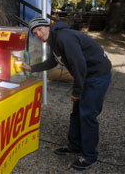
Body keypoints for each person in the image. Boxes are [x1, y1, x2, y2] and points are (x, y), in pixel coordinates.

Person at [21, 17, 112, 171]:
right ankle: (74, 145)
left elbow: (79, 66)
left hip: (97, 76)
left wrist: (77, 91)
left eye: (40, 29)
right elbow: (53, 61)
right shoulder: (55, 39)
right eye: (35, 33)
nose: (38, 34)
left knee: (88, 115)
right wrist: (31, 68)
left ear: (47, 26)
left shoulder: (64, 37)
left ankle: (89, 155)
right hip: (86, 76)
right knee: (76, 113)